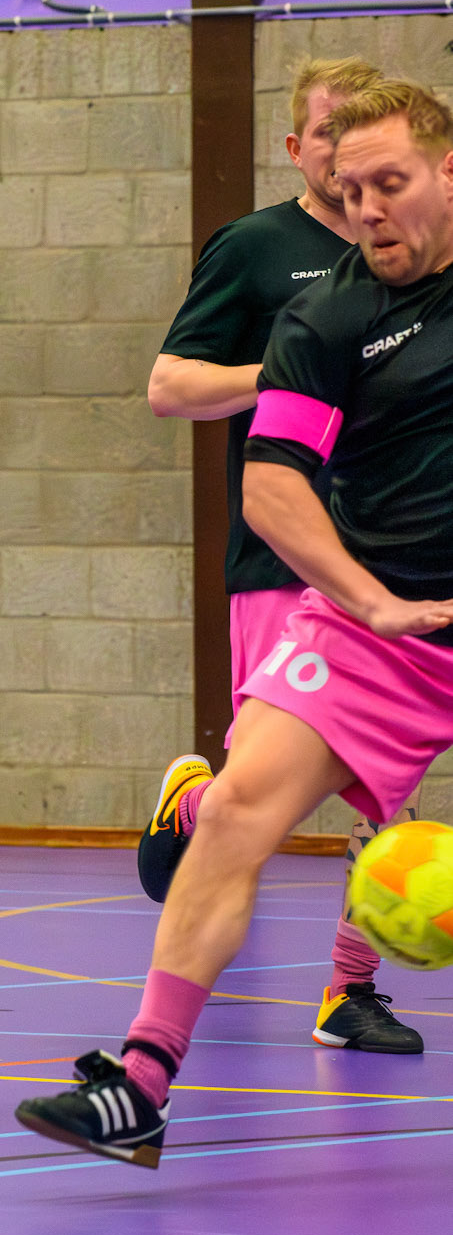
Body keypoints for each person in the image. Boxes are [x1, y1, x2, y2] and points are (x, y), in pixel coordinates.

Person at [16, 78, 453, 1168]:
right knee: (236, 814)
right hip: (380, 627)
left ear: (449, 172)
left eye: (390, 183)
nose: (366, 210)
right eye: (349, 190)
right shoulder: (326, 317)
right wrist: (370, 601)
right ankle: (141, 1081)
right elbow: (271, 487)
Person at [139, 55, 423, 1057]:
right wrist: (298, 370)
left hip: (392, 560)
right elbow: (168, 386)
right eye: (328, 132)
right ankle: (192, 806)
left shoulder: (415, 263)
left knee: (387, 791)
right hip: (281, 556)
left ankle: (350, 986)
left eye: (364, 133)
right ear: (300, 147)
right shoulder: (259, 248)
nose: (348, 155)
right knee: (260, 795)